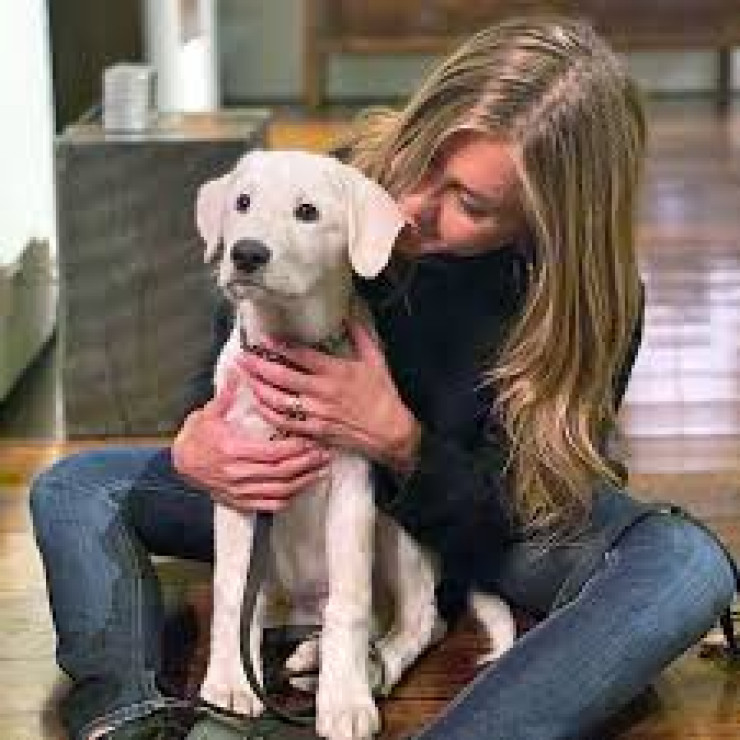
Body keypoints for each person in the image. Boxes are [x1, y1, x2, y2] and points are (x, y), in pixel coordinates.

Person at [30, 16, 737, 740]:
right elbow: (230, 356)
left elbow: (517, 514)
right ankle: (126, 715)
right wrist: (198, 445)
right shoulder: (337, 189)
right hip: (293, 493)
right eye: (422, 159)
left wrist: (399, 441)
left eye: (470, 204)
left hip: (475, 526)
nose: (412, 206)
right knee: (76, 486)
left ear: (543, 228)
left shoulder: (587, 307)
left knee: (685, 564)